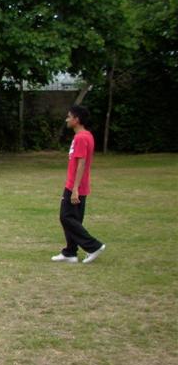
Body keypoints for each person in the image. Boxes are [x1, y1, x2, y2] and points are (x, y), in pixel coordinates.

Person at [52, 105, 107, 264]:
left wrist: (75, 189)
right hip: (76, 185)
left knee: (66, 217)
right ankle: (70, 253)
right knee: (73, 218)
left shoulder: (81, 137)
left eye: (69, 116)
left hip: (75, 186)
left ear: (77, 119)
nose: (67, 119)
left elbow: (82, 164)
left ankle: (93, 246)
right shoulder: (85, 136)